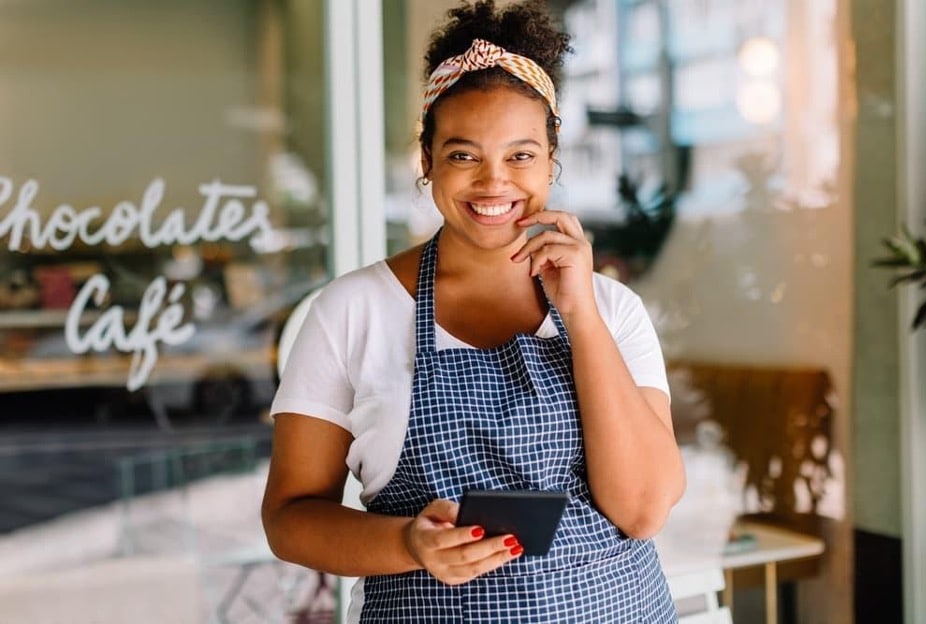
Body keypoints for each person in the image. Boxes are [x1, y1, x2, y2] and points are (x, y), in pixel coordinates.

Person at [262, 1, 685, 621]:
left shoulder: (613, 310)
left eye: (520, 155)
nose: (495, 183)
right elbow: (289, 519)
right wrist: (407, 543)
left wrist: (582, 313)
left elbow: (644, 509)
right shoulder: (352, 312)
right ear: (427, 158)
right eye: (464, 155)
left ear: (550, 158)